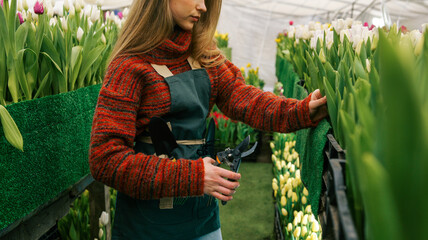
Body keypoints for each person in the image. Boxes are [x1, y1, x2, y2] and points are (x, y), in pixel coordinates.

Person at [89, 0, 328, 239]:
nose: (203, 7)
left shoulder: (204, 55)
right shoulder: (128, 68)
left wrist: (302, 112)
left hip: (203, 221)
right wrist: (192, 177)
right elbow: (105, 159)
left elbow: (245, 99)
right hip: (146, 227)